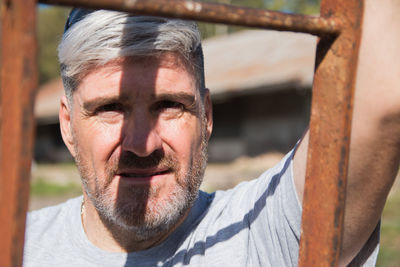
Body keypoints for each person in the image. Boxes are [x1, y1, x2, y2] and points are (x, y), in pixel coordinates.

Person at [24, 1, 400, 266]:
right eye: (110, 108)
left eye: (169, 105)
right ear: (68, 126)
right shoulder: (18, 246)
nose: (141, 144)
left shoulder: (261, 232)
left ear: (206, 117)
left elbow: (384, 96)